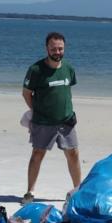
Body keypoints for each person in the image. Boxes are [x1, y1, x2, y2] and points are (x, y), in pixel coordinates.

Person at [20, 32, 81, 204]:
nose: (57, 52)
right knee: (37, 154)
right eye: (53, 48)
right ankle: (30, 192)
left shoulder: (69, 68)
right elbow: (26, 93)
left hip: (66, 121)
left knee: (73, 154)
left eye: (60, 48)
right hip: (43, 122)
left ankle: (78, 190)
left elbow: (67, 91)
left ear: (64, 48)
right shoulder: (36, 70)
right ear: (47, 48)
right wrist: (37, 110)